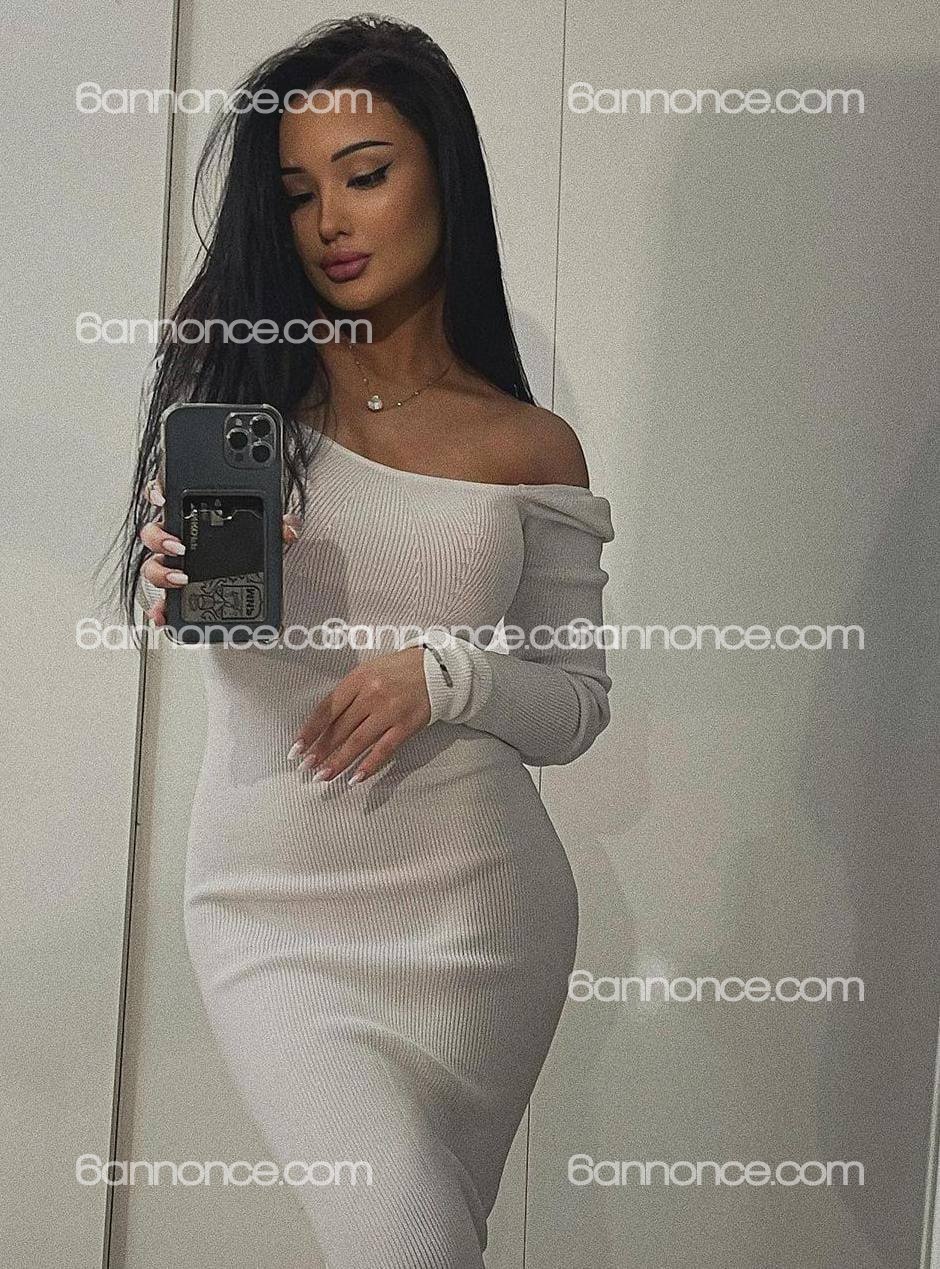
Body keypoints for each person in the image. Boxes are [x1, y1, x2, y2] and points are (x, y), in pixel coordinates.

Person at [124, 15, 615, 1267]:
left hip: (480, 918)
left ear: (442, 175)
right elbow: (208, 626)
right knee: (403, 1238)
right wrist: (171, 582)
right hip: (271, 912)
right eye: (297, 194)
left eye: (366, 174)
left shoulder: (528, 445)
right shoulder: (237, 396)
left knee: (429, 1243)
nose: (329, 222)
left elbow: (574, 705)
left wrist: (445, 676)